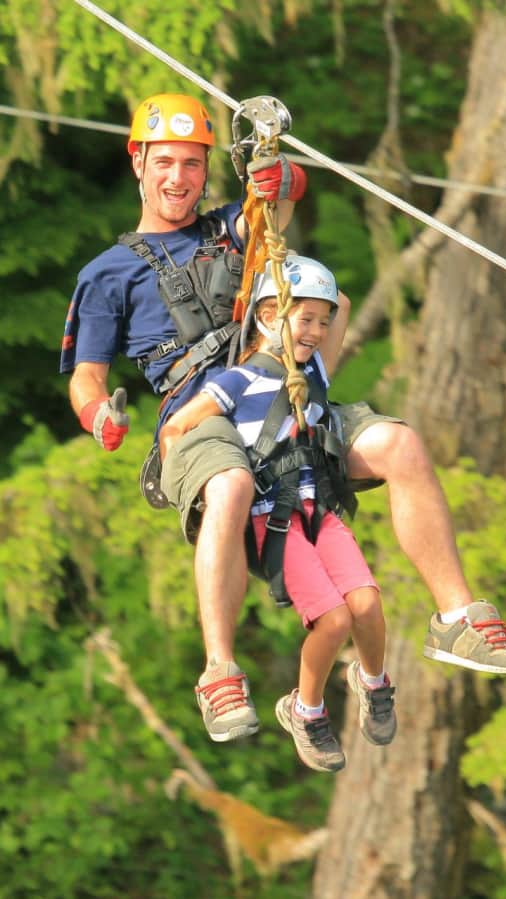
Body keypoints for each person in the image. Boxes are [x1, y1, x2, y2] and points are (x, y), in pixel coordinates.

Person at [60, 92, 506, 744]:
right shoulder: (107, 275)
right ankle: (219, 671)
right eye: (164, 162)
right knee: (228, 484)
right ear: (138, 161)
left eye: (192, 165)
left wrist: (282, 172)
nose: (178, 179)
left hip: (281, 396)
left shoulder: (234, 227)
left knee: (401, 445)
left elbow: (277, 198)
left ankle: (457, 617)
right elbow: (88, 375)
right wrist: (98, 417)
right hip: (204, 416)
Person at [159, 256, 393, 772]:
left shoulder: (311, 372)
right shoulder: (240, 379)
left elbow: (342, 304)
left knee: (368, 605)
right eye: (303, 320)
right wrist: (189, 477)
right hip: (274, 518)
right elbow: (182, 424)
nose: (315, 332)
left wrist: (275, 250)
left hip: (320, 510)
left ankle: (373, 681)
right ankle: (305, 711)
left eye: (322, 323)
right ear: (268, 317)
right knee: (332, 620)